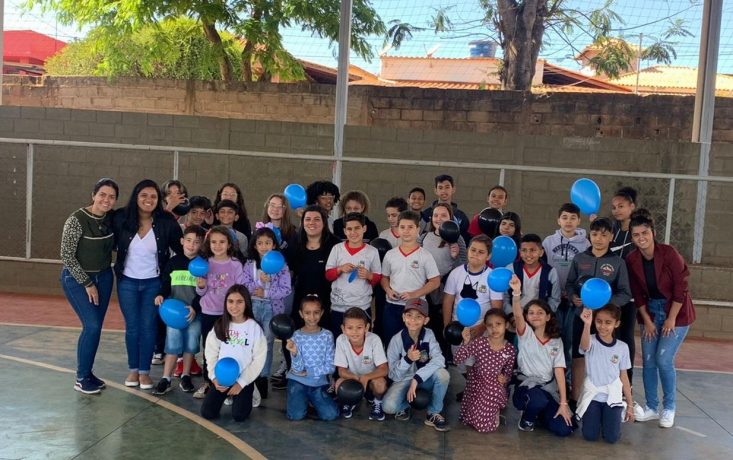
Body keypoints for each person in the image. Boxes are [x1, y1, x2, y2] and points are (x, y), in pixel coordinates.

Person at [626, 209, 696, 428]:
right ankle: (651, 408)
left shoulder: (669, 253)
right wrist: (646, 320)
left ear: (653, 232)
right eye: (636, 235)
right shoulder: (632, 259)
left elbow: (680, 288)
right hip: (650, 311)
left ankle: (669, 408)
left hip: (676, 311)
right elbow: (637, 293)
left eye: (644, 233)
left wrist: (671, 318)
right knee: (648, 360)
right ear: (632, 238)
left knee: (664, 360)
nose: (641, 238)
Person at [113, 179, 183, 390]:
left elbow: (181, 250)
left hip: (154, 283)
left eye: (153, 196)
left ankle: (144, 372)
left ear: (158, 200)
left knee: (148, 327)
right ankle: (133, 369)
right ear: (136, 197)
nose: (148, 200)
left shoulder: (166, 222)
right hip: (127, 283)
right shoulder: (121, 218)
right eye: (143, 195)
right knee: (132, 328)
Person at [60, 178, 118, 394]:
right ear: (93, 194)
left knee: (95, 329)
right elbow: (66, 255)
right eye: (102, 194)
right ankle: (81, 378)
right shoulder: (76, 220)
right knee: (91, 325)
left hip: (104, 278)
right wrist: (87, 283)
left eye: (111, 197)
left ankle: (88, 372)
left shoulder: (111, 219)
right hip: (77, 279)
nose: (106, 199)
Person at [271, 205, 339, 390]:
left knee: (324, 340)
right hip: (300, 300)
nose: (312, 223)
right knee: (294, 337)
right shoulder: (295, 244)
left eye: (317, 219)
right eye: (308, 219)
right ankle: (295, 372)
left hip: (327, 302)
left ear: (324, 223)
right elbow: (281, 267)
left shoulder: (334, 246)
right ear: (302, 222)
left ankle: (324, 377)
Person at [566, 218, 632, 404]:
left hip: (604, 322)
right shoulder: (580, 258)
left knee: (604, 358)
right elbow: (570, 284)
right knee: (579, 356)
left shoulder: (618, 263)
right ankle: (576, 399)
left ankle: (606, 400)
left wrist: (606, 305)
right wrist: (573, 297)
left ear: (611, 237)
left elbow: (625, 293)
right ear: (589, 235)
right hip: (582, 317)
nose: (598, 239)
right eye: (595, 234)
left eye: (604, 235)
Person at [509, 275, 573, 436]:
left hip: (547, 389)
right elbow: (517, 315)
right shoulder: (525, 334)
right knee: (538, 400)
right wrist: (516, 294)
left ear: (548, 316)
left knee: (564, 429)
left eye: (540, 312)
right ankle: (526, 420)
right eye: (531, 313)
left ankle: (539, 415)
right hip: (526, 388)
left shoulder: (556, 341)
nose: (535, 315)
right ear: (526, 317)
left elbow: (559, 371)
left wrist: (563, 403)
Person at [152, 225, 206, 395]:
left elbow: (204, 291)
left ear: (201, 244)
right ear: (182, 241)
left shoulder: (202, 265)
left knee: (191, 344)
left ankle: (185, 376)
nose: (192, 245)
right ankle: (166, 378)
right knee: (172, 344)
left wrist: (195, 307)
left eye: (196, 242)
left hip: (194, 314)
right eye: (188, 240)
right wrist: (161, 294)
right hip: (174, 314)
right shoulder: (173, 263)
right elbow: (166, 284)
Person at [193, 226, 246, 399]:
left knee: (229, 348)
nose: (217, 245)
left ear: (229, 244)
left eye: (222, 242)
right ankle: (208, 383)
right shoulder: (204, 263)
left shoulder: (235, 265)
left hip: (228, 314)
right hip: (208, 311)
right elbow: (201, 292)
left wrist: (235, 310)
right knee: (209, 348)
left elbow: (240, 290)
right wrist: (200, 285)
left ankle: (229, 384)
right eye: (214, 242)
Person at [382, 298, 450, 432]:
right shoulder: (396, 340)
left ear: (426, 320)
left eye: (419, 317)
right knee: (388, 407)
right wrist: (407, 359)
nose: (413, 320)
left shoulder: (429, 335)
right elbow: (393, 375)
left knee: (443, 374)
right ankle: (405, 406)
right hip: (404, 379)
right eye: (409, 316)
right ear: (403, 317)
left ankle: (433, 412)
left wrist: (417, 378)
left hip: (423, 379)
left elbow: (440, 359)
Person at [200, 285, 266, 422]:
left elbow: (259, 359)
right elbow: (210, 353)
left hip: (243, 378)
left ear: (246, 303)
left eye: (239, 302)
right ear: (225, 303)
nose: (234, 306)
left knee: (239, 415)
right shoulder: (220, 325)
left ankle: (252, 390)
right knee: (207, 413)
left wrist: (242, 383)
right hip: (222, 378)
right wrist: (213, 377)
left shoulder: (254, 328)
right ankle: (228, 395)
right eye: (230, 301)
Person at [242, 227, 292, 399]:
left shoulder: (282, 266)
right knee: (251, 342)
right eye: (260, 243)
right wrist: (258, 283)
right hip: (253, 306)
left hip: (272, 307)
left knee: (268, 343)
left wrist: (267, 292)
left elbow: (285, 289)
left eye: (268, 243)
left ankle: (263, 378)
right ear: (255, 246)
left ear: (274, 245)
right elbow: (243, 283)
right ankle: (250, 377)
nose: (264, 246)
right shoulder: (250, 265)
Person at [542, 203, 590, 372]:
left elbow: (587, 271)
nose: (568, 221)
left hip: (574, 300)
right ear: (558, 220)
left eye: (572, 218)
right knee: (552, 337)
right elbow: (544, 269)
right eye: (564, 217)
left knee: (569, 340)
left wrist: (576, 294)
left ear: (578, 221)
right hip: (553, 299)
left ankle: (568, 380)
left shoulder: (585, 244)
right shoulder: (548, 241)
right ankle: (551, 376)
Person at [380, 211, 441, 343]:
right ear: (398, 229)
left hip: (416, 307)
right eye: (402, 227)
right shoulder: (390, 254)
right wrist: (388, 290)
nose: (406, 231)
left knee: (413, 343)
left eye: (410, 227)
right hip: (393, 306)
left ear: (418, 229)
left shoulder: (425, 255)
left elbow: (435, 281)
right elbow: (384, 278)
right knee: (391, 342)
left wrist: (414, 294)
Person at [576, 305, 635, 443]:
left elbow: (624, 377)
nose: (602, 326)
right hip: (593, 397)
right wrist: (586, 324)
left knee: (611, 438)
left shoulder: (622, 347)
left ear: (617, 324)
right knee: (589, 436)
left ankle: (609, 419)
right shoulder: (590, 340)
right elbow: (584, 346)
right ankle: (596, 418)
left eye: (608, 322)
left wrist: (630, 405)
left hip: (612, 396)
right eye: (599, 321)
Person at [443, 235, 504, 364]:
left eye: (481, 252)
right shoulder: (456, 273)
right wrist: (447, 326)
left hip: (482, 329)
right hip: (458, 328)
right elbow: (448, 301)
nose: (475, 254)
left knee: (478, 367)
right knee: (460, 367)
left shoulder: (492, 277)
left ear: (488, 256)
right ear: (468, 250)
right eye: (473, 250)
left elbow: (496, 309)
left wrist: (482, 327)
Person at [454, 309, 516, 433]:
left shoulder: (510, 349)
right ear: (486, 327)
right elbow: (457, 359)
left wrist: (504, 378)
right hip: (476, 384)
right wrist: (465, 342)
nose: (494, 328)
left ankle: (495, 411)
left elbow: (508, 373)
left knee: (484, 427)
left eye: (498, 324)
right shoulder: (480, 342)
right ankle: (483, 410)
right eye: (490, 325)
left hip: (494, 387)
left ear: (506, 325)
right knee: (472, 421)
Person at [419, 203, 467, 356]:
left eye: (443, 215)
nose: (439, 219)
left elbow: (464, 267)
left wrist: (455, 257)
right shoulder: (424, 237)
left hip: (446, 290)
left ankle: (443, 358)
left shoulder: (457, 239)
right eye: (436, 215)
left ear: (450, 218)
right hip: (426, 289)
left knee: (442, 325)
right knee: (425, 324)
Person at [325, 212, 382, 336]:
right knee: (339, 341)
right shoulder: (337, 249)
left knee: (360, 341)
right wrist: (339, 269)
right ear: (345, 231)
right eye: (349, 229)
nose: (353, 232)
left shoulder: (372, 251)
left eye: (357, 228)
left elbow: (378, 278)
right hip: (339, 306)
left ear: (364, 229)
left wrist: (368, 275)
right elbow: (328, 275)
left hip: (361, 306)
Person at [285, 295, 339, 421]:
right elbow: (296, 369)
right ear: (301, 314)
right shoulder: (295, 336)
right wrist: (294, 353)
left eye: (316, 313)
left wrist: (311, 372)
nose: (312, 317)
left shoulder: (327, 335)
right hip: (297, 381)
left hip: (318, 383)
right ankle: (302, 399)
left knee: (331, 415)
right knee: (296, 416)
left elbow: (331, 367)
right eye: (307, 313)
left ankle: (311, 400)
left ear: (322, 313)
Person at [334, 307, 389, 421]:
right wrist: (356, 378)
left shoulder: (374, 340)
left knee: (380, 384)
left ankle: (377, 402)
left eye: (359, 327)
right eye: (350, 328)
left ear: (367, 328)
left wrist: (366, 377)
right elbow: (341, 371)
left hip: (370, 381)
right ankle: (349, 401)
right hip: (352, 380)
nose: (354, 332)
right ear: (343, 329)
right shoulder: (341, 340)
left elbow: (384, 369)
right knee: (338, 384)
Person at [504, 234, 561, 314]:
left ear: (541, 252)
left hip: (539, 317)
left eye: (533, 250)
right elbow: (505, 297)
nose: (528, 254)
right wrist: (511, 315)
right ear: (520, 252)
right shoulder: (511, 269)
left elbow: (554, 299)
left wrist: (544, 315)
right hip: (515, 314)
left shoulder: (550, 272)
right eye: (524, 250)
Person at [422, 175, 470, 243]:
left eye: (447, 187)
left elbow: (466, 241)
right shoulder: (426, 214)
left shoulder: (461, 217)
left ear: (453, 189)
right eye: (440, 188)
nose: (444, 191)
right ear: (436, 190)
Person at [610, 187, 638, 259]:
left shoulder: (639, 230)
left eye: (621, 206)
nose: (616, 210)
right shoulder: (611, 228)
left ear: (632, 206)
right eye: (614, 208)